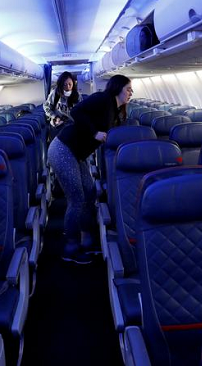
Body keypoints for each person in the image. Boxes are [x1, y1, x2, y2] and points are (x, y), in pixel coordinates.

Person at [47, 74, 133, 264]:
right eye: (128, 89)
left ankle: (87, 240)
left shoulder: (117, 111)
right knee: (76, 198)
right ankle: (70, 247)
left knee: (90, 192)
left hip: (77, 154)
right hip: (63, 149)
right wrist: (94, 132)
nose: (130, 93)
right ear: (117, 88)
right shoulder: (103, 99)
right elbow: (77, 111)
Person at [44, 72, 80, 140]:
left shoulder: (77, 95)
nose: (68, 87)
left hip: (72, 127)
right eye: (65, 85)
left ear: (73, 83)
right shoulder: (55, 93)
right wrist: (55, 117)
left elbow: (81, 112)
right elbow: (47, 107)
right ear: (61, 85)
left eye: (70, 84)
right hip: (57, 127)